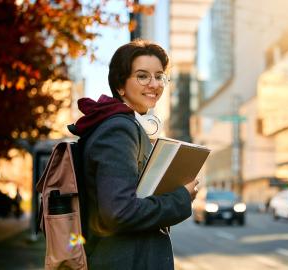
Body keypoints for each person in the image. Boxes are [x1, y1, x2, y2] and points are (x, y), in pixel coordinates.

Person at [68, 39, 199, 270]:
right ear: (120, 85)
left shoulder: (123, 124)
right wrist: (181, 197)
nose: (154, 84)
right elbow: (119, 212)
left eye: (159, 76)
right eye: (142, 76)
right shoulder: (119, 129)